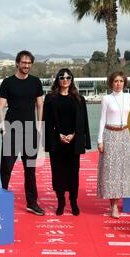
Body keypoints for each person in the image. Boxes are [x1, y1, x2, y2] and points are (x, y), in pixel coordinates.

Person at [0, 50, 45, 215]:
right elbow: (1, 107)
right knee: (6, 168)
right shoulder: (7, 83)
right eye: (23, 62)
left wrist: (39, 126)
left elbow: (40, 105)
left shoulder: (36, 82)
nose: (26, 65)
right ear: (17, 63)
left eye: (29, 63)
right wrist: (3, 127)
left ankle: (32, 203)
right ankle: (0, 201)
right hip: (12, 130)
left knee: (30, 169)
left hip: (30, 130)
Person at [43, 68, 91, 216]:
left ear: (72, 80)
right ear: (57, 79)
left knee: (73, 173)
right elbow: (47, 120)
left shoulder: (79, 99)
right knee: (58, 173)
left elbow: (83, 122)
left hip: (73, 142)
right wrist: (57, 135)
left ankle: (73, 201)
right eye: (62, 77)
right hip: (56, 142)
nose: (65, 80)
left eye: (68, 77)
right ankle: (61, 202)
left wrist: (75, 135)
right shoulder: (50, 98)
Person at [97, 71, 130, 219]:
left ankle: (119, 201)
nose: (118, 84)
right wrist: (99, 140)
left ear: (125, 82)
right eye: (116, 81)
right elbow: (102, 120)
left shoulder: (128, 96)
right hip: (110, 135)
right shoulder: (106, 99)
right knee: (111, 171)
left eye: (121, 81)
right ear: (111, 83)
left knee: (123, 169)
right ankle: (114, 206)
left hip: (124, 135)